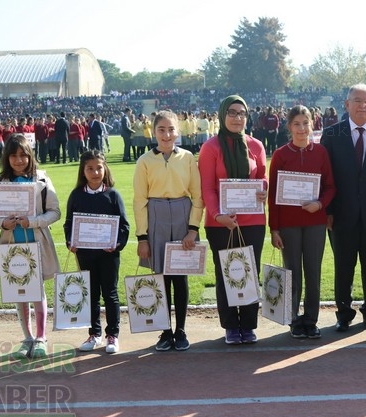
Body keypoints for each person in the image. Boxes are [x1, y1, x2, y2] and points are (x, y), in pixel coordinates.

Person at [320, 83, 366, 333]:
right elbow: (325, 177)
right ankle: (343, 314)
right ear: (347, 104)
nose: (363, 105)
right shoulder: (331, 135)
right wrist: (327, 211)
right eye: (358, 100)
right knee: (344, 266)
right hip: (341, 215)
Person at [198, 95, 267, 345]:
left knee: (249, 270)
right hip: (220, 222)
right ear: (222, 114)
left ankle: (248, 325)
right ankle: (230, 325)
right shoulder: (210, 147)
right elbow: (207, 187)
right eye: (232, 112)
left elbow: (262, 177)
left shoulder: (256, 145)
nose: (238, 118)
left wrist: (264, 189)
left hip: (253, 220)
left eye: (242, 113)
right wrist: (218, 215)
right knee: (226, 272)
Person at [133, 111, 204, 351]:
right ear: (154, 132)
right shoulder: (144, 161)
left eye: (171, 129)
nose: (166, 134)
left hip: (183, 216)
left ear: (178, 131)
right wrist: (142, 237)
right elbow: (139, 200)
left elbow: (198, 196)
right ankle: (165, 331)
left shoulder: (187, 158)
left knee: (180, 276)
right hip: (156, 217)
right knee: (161, 276)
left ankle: (181, 329)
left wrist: (193, 229)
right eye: (161, 129)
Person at [268, 105, 336, 339]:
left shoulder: (321, 152)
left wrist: (320, 204)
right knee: (293, 271)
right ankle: (294, 319)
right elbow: (273, 195)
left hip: (315, 222)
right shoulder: (280, 155)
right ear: (289, 126)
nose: (301, 128)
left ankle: (311, 319)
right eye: (296, 124)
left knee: (313, 271)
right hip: (288, 224)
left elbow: (330, 187)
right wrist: (274, 228)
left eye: (305, 123)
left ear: (312, 124)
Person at [0, 134, 61, 359]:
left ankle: (41, 337)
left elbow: (55, 212)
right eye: (13, 156)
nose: (19, 160)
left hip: (36, 243)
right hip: (12, 244)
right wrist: (3, 223)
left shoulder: (42, 180)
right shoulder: (1, 182)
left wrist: (34, 221)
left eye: (23, 155)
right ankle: (27, 337)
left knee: (37, 290)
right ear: (7, 158)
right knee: (18, 291)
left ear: (30, 155)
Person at [64, 150, 129, 353]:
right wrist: (70, 242)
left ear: (105, 168)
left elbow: (124, 226)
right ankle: (95, 334)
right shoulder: (76, 195)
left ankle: (113, 335)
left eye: (99, 167)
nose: (95, 172)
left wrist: (117, 243)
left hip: (109, 254)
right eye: (90, 168)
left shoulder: (113, 195)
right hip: (85, 254)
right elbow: (69, 223)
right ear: (83, 171)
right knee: (90, 293)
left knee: (110, 293)